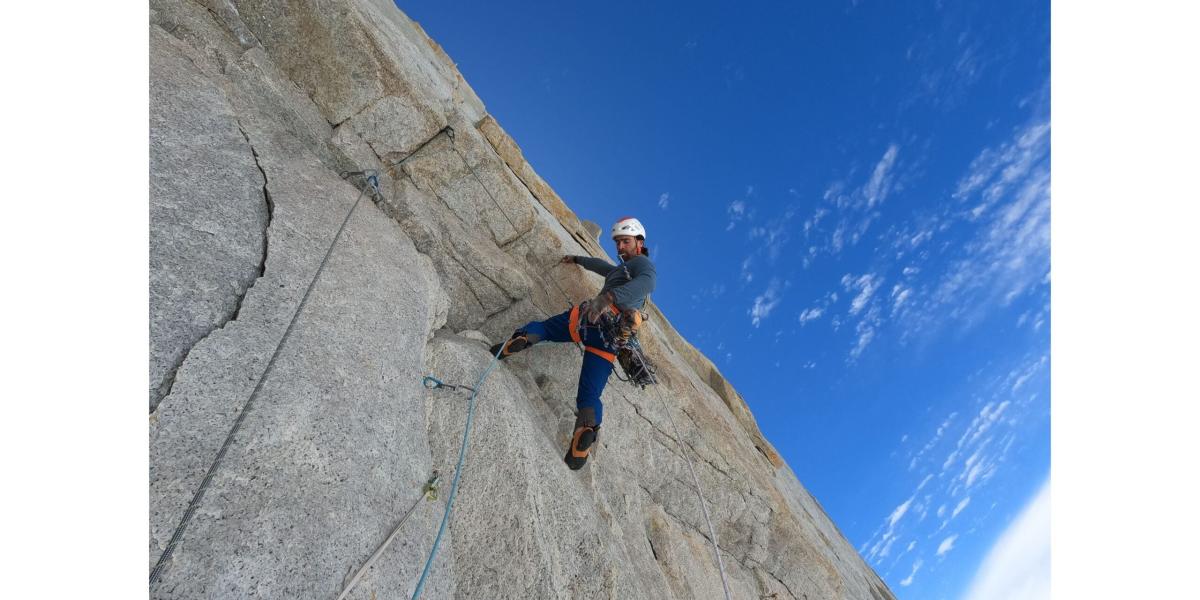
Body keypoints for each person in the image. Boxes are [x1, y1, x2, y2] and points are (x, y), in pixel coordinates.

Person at [490, 217, 657, 469]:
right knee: (590, 394)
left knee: (545, 329)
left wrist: (606, 298)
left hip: (592, 318)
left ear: (640, 242)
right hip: (610, 341)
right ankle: (586, 431)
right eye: (618, 243)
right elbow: (598, 264)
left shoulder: (642, 263)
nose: (620, 247)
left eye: (625, 241)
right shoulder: (617, 270)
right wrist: (577, 259)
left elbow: (648, 281)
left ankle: (521, 339)